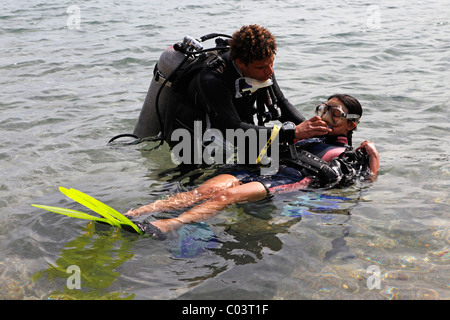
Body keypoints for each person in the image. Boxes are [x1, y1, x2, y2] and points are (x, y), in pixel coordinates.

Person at [126, 94, 379, 238]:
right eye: (323, 109)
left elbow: (364, 182)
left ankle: (169, 225)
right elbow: (262, 146)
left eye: (334, 114)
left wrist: (373, 158)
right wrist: (294, 134)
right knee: (200, 192)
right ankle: (135, 214)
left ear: (351, 125)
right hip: (259, 169)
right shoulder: (304, 133)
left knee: (227, 195)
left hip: (285, 180)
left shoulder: (346, 154)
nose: (324, 116)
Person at [133, 25, 331, 160]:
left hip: (228, 131)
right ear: (241, 63)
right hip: (191, 141)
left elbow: (281, 103)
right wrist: (293, 132)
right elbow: (233, 130)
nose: (269, 71)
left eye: (272, 63)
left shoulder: (262, 64)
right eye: (262, 67)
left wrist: (315, 132)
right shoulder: (212, 79)